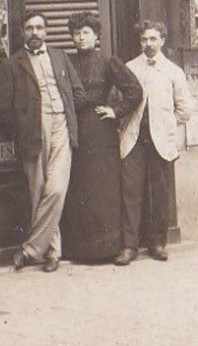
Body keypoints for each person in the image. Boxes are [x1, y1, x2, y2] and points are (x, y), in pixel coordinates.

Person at [0, 10, 83, 273]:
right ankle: (52, 253)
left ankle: (30, 249)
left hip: (62, 126)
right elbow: (2, 109)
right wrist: (23, 124)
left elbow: (77, 92)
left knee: (56, 189)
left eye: (40, 28)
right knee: (38, 191)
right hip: (33, 129)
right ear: (22, 32)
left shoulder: (60, 56)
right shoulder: (13, 64)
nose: (35, 33)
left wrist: (66, 108)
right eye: (30, 28)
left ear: (46, 31)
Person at [60, 13, 143, 262]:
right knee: (79, 187)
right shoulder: (66, 62)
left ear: (96, 35)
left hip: (100, 130)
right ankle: (80, 249)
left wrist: (115, 111)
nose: (80, 37)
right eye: (76, 33)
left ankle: (106, 248)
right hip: (74, 127)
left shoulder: (108, 60)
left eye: (86, 32)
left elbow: (134, 90)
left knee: (102, 188)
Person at [115, 20, 195, 266]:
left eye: (153, 39)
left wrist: (168, 125)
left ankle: (157, 243)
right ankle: (129, 246)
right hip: (134, 138)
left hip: (162, 139)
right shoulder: (129, 68)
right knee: (131, 192)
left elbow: (186, 108)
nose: (148, 44)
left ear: (162, 40)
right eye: (144, 40)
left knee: (160, 194)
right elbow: (120, 102)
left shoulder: (173, 71)